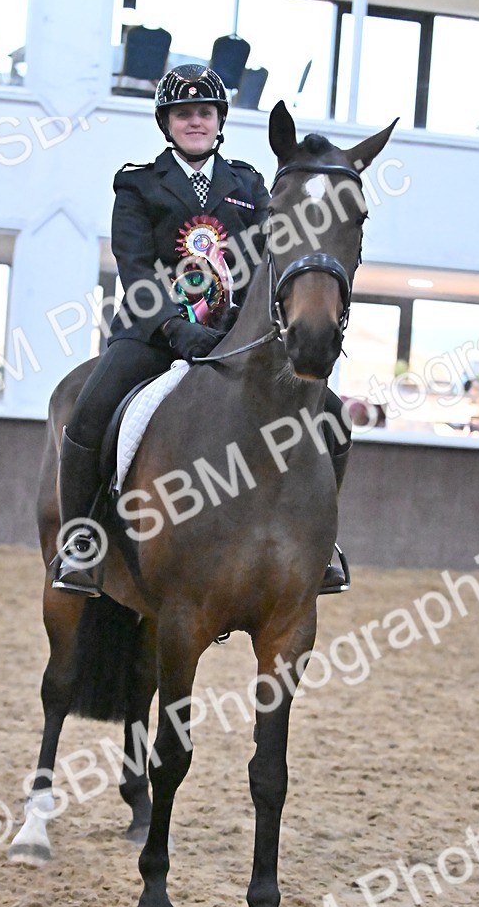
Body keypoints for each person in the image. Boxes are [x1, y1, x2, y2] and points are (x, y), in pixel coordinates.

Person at [53, 63, 351, 596]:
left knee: (330, 415)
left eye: (205, 113)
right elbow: (136, 267)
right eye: (184, 113)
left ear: (219, 121)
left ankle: (320, 544)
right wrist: (173, 326)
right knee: (89, 411)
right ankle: (81, 545)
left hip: (235, 338)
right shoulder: (138, 184)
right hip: (150, 335)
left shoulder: (248, 185)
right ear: (167, 123)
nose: (195, 122)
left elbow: (271, 259)